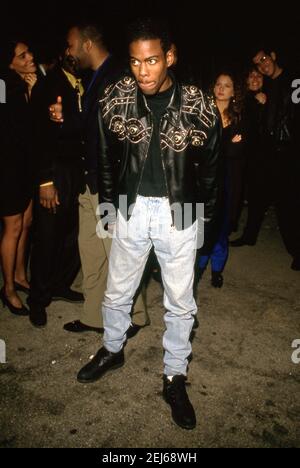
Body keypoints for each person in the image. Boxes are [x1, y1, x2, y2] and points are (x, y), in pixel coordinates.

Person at [77, 18, 221, 430]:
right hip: (129, 206)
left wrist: (203, 220)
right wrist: (108, 210)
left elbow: (212, 169)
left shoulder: (198, 103)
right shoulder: (115, 96)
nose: (143, 70)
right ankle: (111, 348)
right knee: (118, 288)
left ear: (169, 57)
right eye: (136, 61)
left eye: (153, 60)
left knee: (180, 300)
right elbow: (104, 159)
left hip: (181, 210)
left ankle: (175, 375)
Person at [48, 23, 149, 334]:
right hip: (89, 181)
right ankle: (94, 316)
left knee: (118, 255)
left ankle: (135, 316)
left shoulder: (118, 75)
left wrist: (118, 186)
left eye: (70, 45)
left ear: (87, 44)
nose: (69, 51)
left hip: (108, 185)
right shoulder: (94, 78)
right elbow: (92, 127)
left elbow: (127, 134)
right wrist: (65, 119)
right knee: (91, 254)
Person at [27, 51, 85, 328]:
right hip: (54, 171)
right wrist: (45, 180)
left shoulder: (81, 82)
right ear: (63, 54)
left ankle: (60, 284)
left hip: (76, 170)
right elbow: (38, 135)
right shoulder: (49, 84)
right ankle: (37, 300)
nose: (74, 55)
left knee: (71, 234)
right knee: (47, 236)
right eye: (70, 50)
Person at [233, 47, 300, 271]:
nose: (262, 65)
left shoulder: (293, 80)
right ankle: (249, 236)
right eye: (258, 64)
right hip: (269, 154)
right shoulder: (268, 86)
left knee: (287, 205)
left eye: (264, 59)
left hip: (287, 152)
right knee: (258, 197)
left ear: (273, 55)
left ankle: (296, 251)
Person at [0, 39, 40, 316]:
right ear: (9, 62)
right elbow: (16, 128)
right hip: (7, 167)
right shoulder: (5, 87)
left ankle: (19, 275)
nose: (30, 57)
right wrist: (30, 92)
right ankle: (8, 290)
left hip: (26, 165)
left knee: (26, 222)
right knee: (13, 226)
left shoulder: (29, 81)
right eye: (22, 55)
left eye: (29, 52)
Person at [196, 72, 244, 289]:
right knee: (198, 227)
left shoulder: (239, 118)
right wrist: (227, 146)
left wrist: (227, 149)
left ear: (234, 92)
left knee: (221, 227)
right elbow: (199, 150)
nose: (221, 88)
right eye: (218, 84)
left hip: (226, 181)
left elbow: (237, 153)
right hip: (201, 180)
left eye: (227, 85)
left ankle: (216, 270)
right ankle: (196, 267)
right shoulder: (202, 114)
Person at [231, 66, 268, 248]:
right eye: (251, 75)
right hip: (241, 155)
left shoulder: (264, 98)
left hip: (260, 158)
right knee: (238, 193)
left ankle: (249, 235)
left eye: (258, 75)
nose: (254, 78)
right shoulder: (243, 99)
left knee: (256, 197)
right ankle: (233, 226)